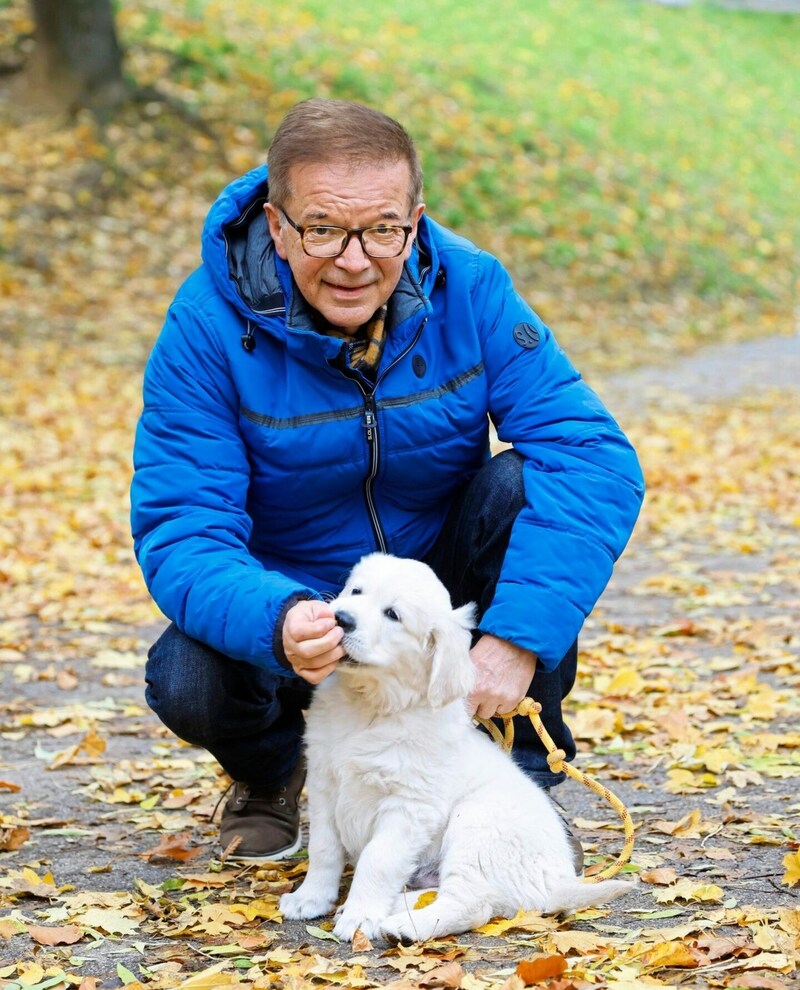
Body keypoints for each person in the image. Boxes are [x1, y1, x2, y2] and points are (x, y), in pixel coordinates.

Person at [131, 98, 644, 867]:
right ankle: (274, 772)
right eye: (323, 229)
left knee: (523, 485)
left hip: (426, 594)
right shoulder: (205, 326)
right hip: (302, 605)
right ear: (276, 225)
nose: (354, 259)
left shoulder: (470, 287)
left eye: (382, 230)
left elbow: (591, 453)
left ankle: (515, 779)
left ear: (414, 219)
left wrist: (514, 639)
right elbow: (183, 526)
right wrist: (277, 619)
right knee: (186, 676)